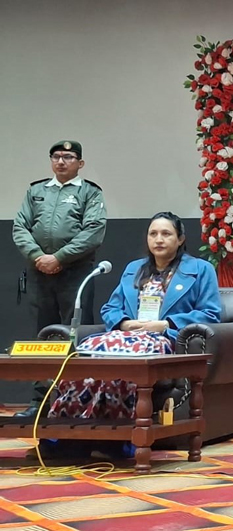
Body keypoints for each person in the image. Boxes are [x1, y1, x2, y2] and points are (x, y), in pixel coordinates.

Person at [35, 212, 221, 459]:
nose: (159, 239)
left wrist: (164, 324)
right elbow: (110, 308)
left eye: (166, 234)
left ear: (180, 239)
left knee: (126, 358)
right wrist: (123, 323)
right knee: (86, 353)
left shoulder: (201, 270)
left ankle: (115, 439)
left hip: (162, 338)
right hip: (124, 335)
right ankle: (67, 435)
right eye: (153, 234)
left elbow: (210, 313)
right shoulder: (134, 269)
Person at [12, 140, 107, 418]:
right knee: (42, 337)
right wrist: (38, 256)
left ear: (80, 163)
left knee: (76, 335)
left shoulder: (89, 192)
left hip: (75, 274)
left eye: (68, 156)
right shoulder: (36, 191)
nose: (61, 161)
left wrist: (59, 258)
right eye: (56, 156)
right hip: (39, 273)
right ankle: (40, 402)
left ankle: (76, 401)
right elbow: (20, 227)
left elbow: (93, 231)